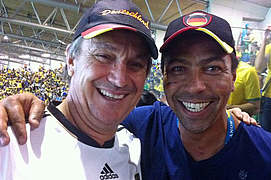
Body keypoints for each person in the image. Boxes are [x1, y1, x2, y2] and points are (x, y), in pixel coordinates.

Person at [0, 11, 271, 179]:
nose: (196, 86)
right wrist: (19, 103)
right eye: (179, 69)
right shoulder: (140, 130)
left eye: (212, 69)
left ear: (234, 77)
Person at [0, 0, 159, 179]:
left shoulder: (132, 148)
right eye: (103, 56)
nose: (119, 79)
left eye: (135, 64)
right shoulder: (11, 142)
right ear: (71, 60)